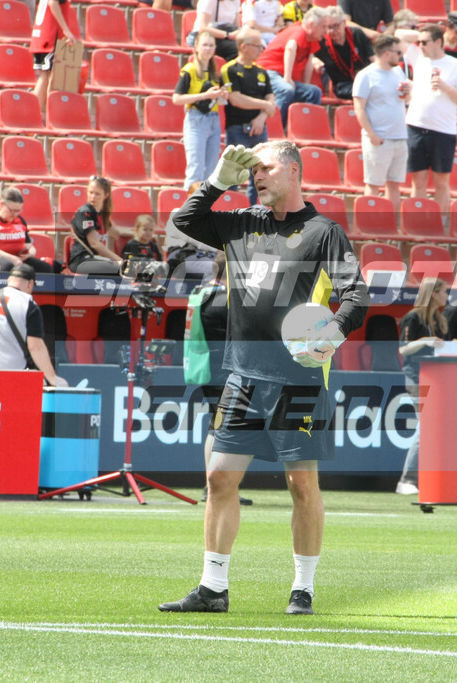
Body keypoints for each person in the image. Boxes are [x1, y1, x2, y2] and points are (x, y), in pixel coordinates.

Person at [160, 141, 368, 615]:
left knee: (301, 485)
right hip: (243, 376)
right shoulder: (240, 223)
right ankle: (213, 588)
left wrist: (334, 332)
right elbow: (184, 223)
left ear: (294, 172)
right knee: (219, 479)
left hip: (298, 379)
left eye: (267, 167)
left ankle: (303, 588)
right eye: (252, 169)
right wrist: (216, 182)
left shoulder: (323, 232)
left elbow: (356, 296)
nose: (257, 175)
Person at [190, 253, 255, 506]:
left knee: (217, 425)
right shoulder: (224, 299)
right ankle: (216, 487)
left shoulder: (205, 294)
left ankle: (215, 487)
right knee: (222, 427)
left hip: (212, 367)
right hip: (225, 370)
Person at [405, 24, 457, 213]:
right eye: (418, 42)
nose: (420, 45)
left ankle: (440, 226)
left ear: (438, 42)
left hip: (443, 130)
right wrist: (420, 35)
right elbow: (397, 34)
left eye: (425, 42)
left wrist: (446, 87)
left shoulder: (456, 64)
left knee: (441, 182)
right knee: (417, 181)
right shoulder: (419, 57)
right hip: (416, 126)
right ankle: (415, 223)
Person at [0, 263, 68, 386]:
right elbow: (35, 347)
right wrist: (52, 378)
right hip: (7, 375)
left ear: (9, 280)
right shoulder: (28, 304)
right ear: (30, 284)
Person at [395, 277, 449, 495]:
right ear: (434, 294)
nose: (447, 296)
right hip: (416, 378)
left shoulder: (439, 319)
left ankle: (427, 477)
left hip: (436, 378)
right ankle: (407, 479)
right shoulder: (413, 317)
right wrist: (425, 341)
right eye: (444, 291)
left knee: (432, 429)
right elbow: (403, 349)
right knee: (425, 427)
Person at [352, 34, 410, 207]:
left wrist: (407, 94)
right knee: (374, 184)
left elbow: (404, 100)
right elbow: (359, 108)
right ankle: (369, 226)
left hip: (399, 136)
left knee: (394, 184)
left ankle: (390, 226)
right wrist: (372, 135)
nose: (399, 56)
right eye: (397, 52)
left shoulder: (398, 71)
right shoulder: (366, 75)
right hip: (379, 138)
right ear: (386, 53)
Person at [221, 29, 278, 206]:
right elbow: (235, 98)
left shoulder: (261, 71)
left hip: (260, 129)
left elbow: (271, 100)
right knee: (234, 171)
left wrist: (262, 117)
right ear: (243, 47)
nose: (261, 48)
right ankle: (231, 208)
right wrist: (264, 106)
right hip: (237, 128)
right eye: (257, 45)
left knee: (260, 172)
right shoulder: (229, 69)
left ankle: (255, 210)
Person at [255, 6, 330, 130]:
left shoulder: (313, 39)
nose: (326, 31)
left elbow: (309, 61)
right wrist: (288, 77)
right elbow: (291, 47)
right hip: (266, 71)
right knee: (286, 89)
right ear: (311, 24)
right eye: (323, 27)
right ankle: (274, 129)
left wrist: (305, 84)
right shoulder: (299, 30)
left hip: (281, 76)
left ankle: (304, 130)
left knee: (313, 92)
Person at [174, 31, 228, 191]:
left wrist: (221, 95)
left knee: (211, 169)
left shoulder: (213, 71)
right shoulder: (190, 69)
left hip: (213, 119)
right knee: (195, 168)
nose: (208, 49)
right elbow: (177, 98)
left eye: (211, 45)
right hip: (196, 119)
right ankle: (189, 211)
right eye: (205, 45)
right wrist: (205, 95)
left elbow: (216, 100)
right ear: (196, 47)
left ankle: (204, 211)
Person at [0, 186, 57, 275]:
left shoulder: (19, 219)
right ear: (2, 204)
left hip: (16, 259)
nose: (15, 214)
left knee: (45, 268)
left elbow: (29, 246)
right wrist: (11, 258)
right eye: (12, 210)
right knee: (9, 266)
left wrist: (29, 253)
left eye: (18, 211)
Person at [68, 176, 124, 276]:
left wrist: (137, 233)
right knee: (119, 269)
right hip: (82, 261)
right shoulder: (85, 213)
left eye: (97, 194)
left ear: (106, 195)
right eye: (90, 192)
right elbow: (94, 244)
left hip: (95, 259)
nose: (93, 197)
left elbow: (115, 233)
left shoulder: (101, 214)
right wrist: (119, 260)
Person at [30, 0, 79, 113]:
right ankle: (51, 116)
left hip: (42, 36)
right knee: (54, 78)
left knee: (44, 78)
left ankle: (34, 115)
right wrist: (66, 30)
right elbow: (53, 3)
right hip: (51, 37)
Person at [314, 6, 373, 100]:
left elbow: (373, 59)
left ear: (344, 23)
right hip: (343, 85)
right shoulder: (322, 42)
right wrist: (314, 60)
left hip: (365, 80)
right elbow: (310, 56)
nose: (332, 31)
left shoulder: (357, 34)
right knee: (363, 92)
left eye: (336, 26)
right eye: (329, 27)